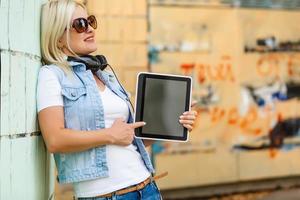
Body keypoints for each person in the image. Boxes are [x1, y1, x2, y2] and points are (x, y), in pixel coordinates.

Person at [37, 0, 197, 199]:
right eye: (80, 24)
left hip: (146, 187)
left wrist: (173, 121)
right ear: (58, 37)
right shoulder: (52, 75)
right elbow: (55, 140)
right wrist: (110, 135)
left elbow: (128, 138)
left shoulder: (106, 76)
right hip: (105, 195)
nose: (90, 30)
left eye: (91, 21)